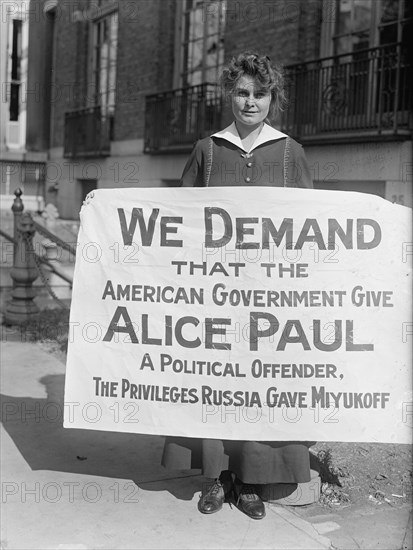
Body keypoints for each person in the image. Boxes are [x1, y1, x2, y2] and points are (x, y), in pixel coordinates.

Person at [162, 52, 314, 520]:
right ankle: (213, 477)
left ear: (273, 99)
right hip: (213, 293)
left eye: (260, 94)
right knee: (213, 381)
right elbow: (177, 221)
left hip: (269, 294)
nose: (251, 102)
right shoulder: (208, 149)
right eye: (242, 92)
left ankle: (248, 481)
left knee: (258, 383)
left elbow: (313, 225)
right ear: (229, 94)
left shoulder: (289, 151)